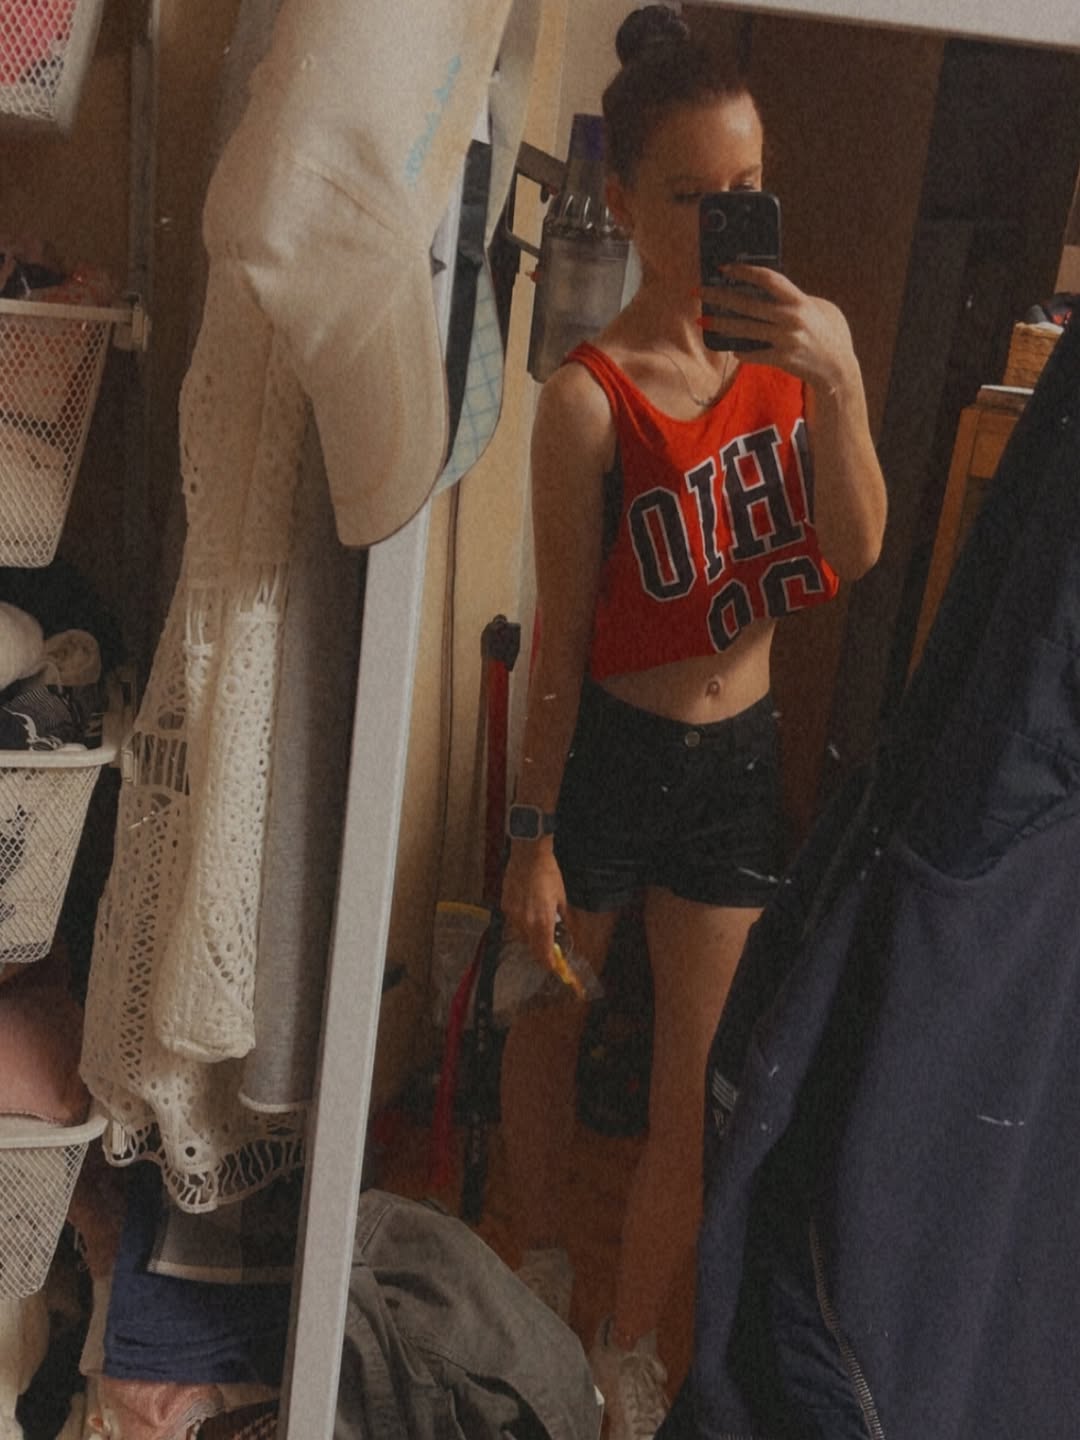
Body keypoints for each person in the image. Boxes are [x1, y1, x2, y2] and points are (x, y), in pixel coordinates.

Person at [498, 8, 887, 1439]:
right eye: (691, 196)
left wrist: (841, 382)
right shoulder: (587, 401)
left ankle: (629, 1347)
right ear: (621, 201)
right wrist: (532, 837)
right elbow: (559, 639)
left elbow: (853, 549)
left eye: (748, 191)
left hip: (736, 762)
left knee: (691, 1087)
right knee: (546, 1028)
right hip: (608, 752)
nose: (728, 222)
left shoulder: (801, 361)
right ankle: (537, 1279)